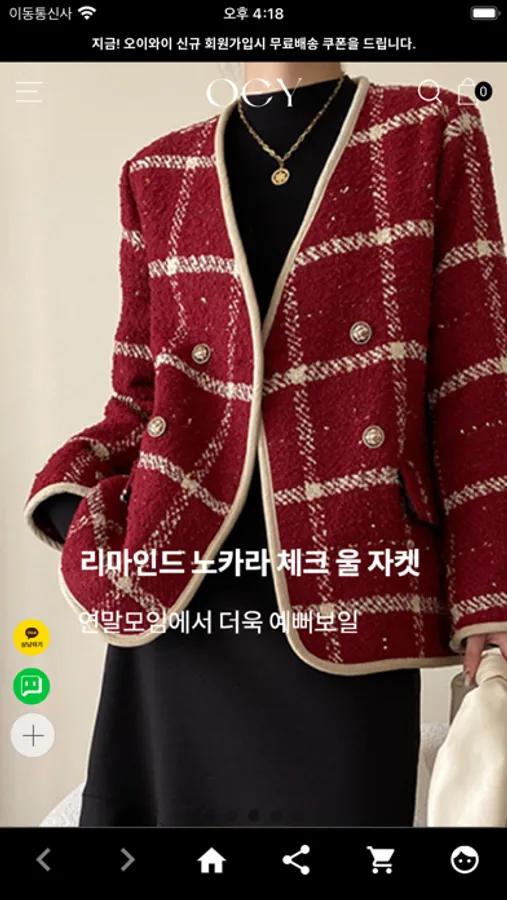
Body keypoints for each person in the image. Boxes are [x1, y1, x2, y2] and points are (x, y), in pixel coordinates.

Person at [24, 61, 507, 826]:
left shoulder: (429, 131)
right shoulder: (158, 171)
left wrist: (488, 596)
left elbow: (474, 380)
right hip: (182, 591)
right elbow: (139, 397)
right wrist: (71, 503)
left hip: (347, 577)